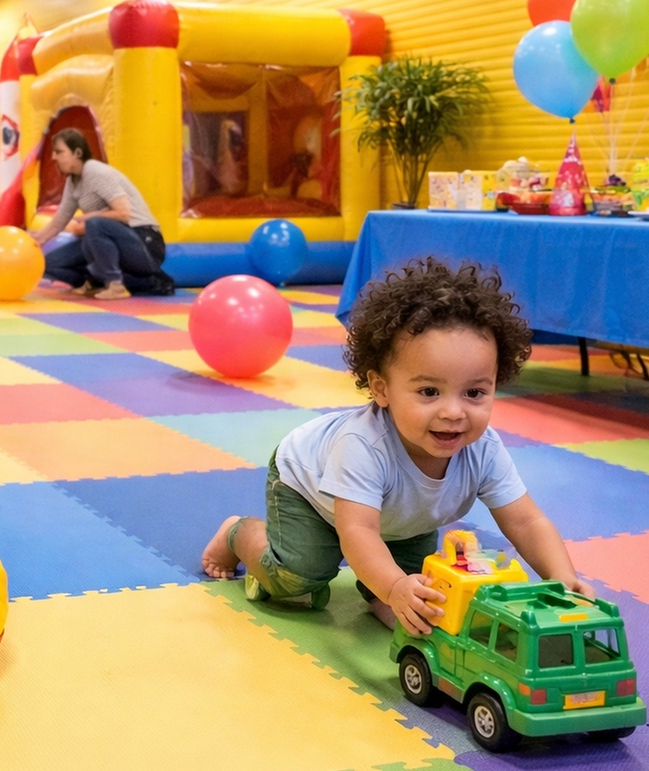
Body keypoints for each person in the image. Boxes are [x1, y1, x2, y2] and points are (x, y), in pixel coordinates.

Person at [199, 256, 592, 634]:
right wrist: (393, 588)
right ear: (381, 389)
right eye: (429, 391)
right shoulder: (363, 446)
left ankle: (379, 588)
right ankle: (237, 532)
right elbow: (358, 531)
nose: (454, 412)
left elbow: (526, 520)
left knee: (421, 590)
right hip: (307, 486)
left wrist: (562, 578)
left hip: (401, 519)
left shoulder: (483, 449)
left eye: (474, 392)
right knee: (297, 577)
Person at [32, 130, 175, 300]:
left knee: (95, 224)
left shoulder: (95, 172)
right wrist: (35, 241)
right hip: (115, 239)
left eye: (59, 152)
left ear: (77, 153)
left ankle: (116, 284)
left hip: (145, 242)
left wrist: (90, 216)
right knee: (48, 264)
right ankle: (99, 282)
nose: (54, 157)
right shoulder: (73, 181)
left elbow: (124, 213)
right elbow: (59, 221)